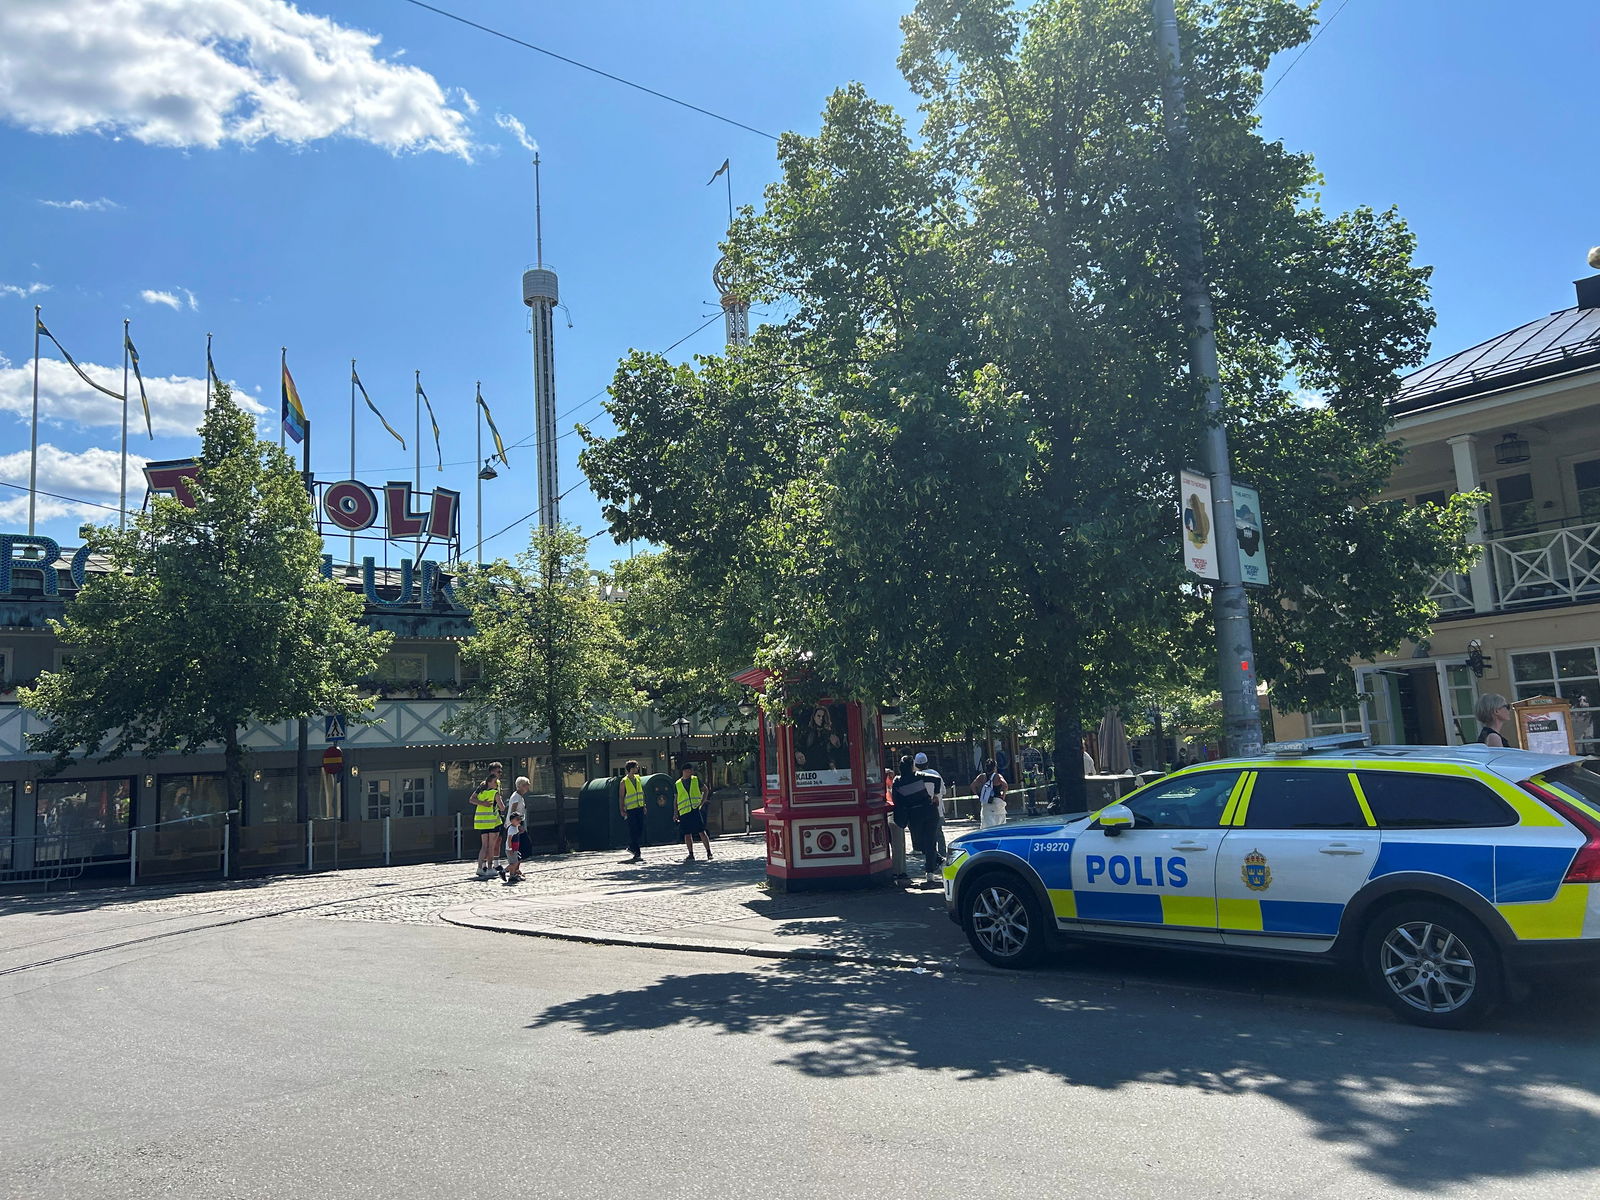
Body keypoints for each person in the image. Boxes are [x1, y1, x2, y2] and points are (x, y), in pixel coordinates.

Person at [892, 755, 943, 885]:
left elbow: (896, 800)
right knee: (925, 844)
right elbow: (937, 780)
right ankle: (936, 861)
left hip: (915, 813)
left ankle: (930, 872)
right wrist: (936, 795)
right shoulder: (917, 776)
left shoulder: (897, 781)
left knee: (923, 843)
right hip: (927, 811)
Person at [674, 763, 713, 863]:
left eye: (692, 770)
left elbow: (705, 790)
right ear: (684, 771)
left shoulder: (695, 780)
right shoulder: (677, 784)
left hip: (695, 809)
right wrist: (675, 812)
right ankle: (691, 854)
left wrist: (702, 802)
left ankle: (709, 852)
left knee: (701, 831)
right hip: (684, 811)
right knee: (687, 834)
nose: (691, 772)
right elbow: (676, 799)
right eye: (689, 770)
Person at [472, 766, 503, 879]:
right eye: (498, 771)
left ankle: (490, 865)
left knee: (493, 843)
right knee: (489, 845)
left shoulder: (498, 784)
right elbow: (472, 799)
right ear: (491, 773)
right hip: (491, 819)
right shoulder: (483, 785)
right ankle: (487, 867)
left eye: (500, 771)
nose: (500, 773)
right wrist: (483, 803)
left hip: (491, 818)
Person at [913, 751, 947, 858]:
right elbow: (944, 791)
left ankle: (930, 858)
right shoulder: (935, 774)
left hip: (921, 812)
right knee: (939, 834)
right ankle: (942, 855)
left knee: (926, 837)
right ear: (927, 763)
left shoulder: (915, 776)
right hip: (937, 810)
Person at [883, 765, 909, 884]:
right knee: (896, 845)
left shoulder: (892, 787)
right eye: (890, 776)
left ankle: (899, 869)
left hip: (893, 816)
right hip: (891, 816)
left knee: (899, 845)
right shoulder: (887, 788)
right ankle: (897, 869)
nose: (892, 778)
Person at [619, 760, 647, 863]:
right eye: (636, 767)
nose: (637, 768)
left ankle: (631, 847)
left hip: (639, 807)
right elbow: (621, 797)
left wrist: (644, 805)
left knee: (640, 828)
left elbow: (641, 793)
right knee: (633, 830)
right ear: (631, 769)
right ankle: (637, 853)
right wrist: (622, 809)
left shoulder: (638, 779)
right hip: (630, 809)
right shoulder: (624, 781)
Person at [973, 758, 1008, 829]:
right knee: (1000, 824)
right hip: (997, 802)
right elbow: (1005, 785)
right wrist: (1003, 796)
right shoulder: (997, 776)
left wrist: (979, 795)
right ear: (995, 767)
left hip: (986, 802)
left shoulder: (981, 777)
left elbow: (972, 786)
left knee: (987, 825)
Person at [500, 810, 526, 884]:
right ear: (512, 821)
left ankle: (512, 876)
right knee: (514, 863)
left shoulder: (515, 827)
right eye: (517, 819)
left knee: (514, 862)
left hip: (514, 848)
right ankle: (503, 871)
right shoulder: (511, 829)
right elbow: (509, 839)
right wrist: (510, 849)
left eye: (519, 819)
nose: (519, 821)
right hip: (510, 849)